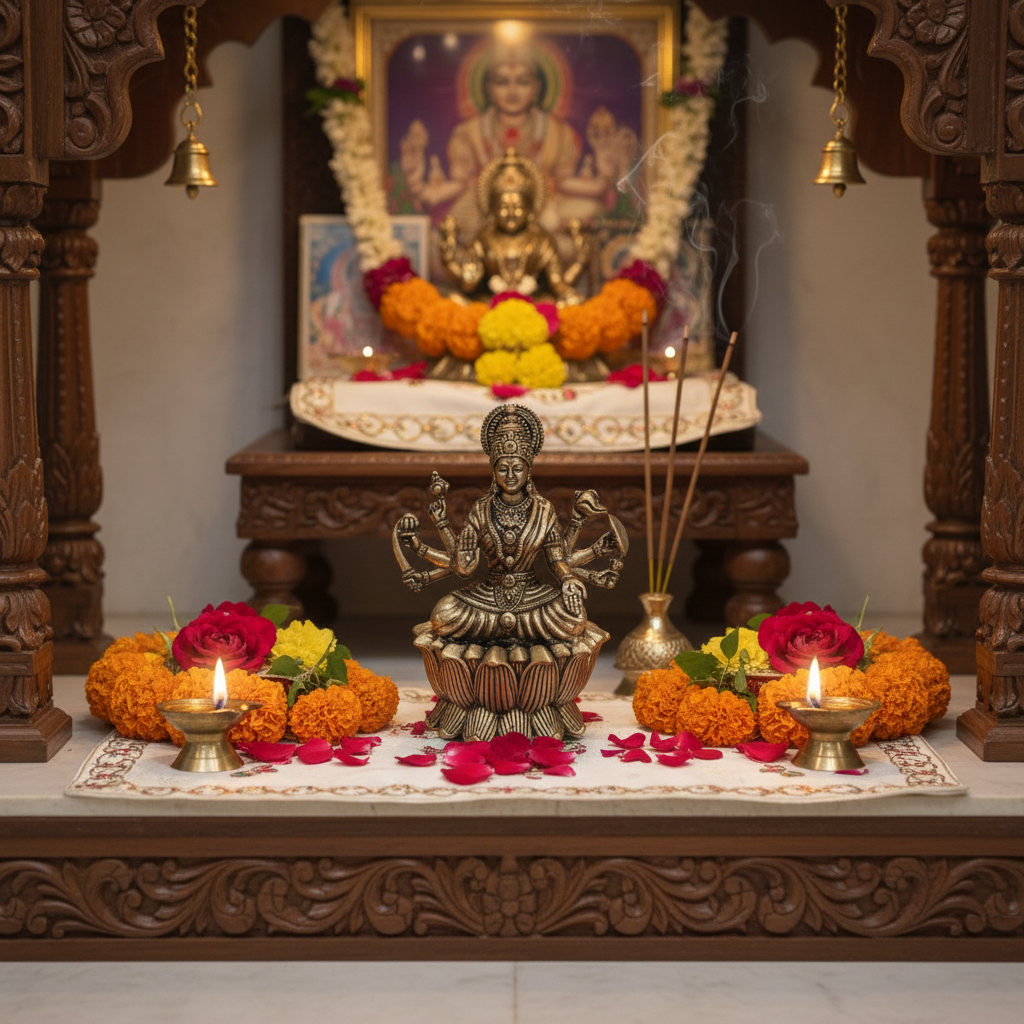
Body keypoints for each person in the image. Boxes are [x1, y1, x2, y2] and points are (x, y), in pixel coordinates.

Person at [393, 405, 622, 642]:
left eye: (518, 468)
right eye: (503, 468)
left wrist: (568, 579)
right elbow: (463, 567)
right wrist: (436, 530)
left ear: (528, 470)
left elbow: (557, 560)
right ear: (493, 471)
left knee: (574, 620)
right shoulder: (481, 510)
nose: (510, 475)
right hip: (489, 593)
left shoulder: (543, 509)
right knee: (444, 615)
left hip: (532, 593)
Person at [437, 149, 588, 302]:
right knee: (457, 301)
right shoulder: (484, 241)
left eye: (517, 207)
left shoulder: (541, 241)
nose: (511, 213)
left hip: (534, 306)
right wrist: (448, 259)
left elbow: (558, 283)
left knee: (567, 302)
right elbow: (468, 283)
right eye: (503, 208)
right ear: (493, 211)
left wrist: (580, 261)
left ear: (529, 210)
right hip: (491, 304)